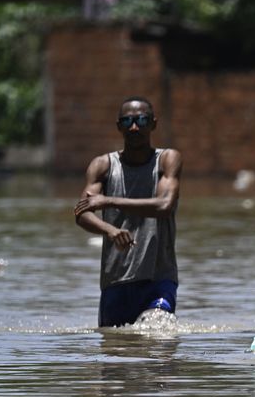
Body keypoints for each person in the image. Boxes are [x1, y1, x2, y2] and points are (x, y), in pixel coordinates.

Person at [74, 96, 183, 327]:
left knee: (158, 336)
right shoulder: (102, 166)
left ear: (153, 124)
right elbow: (82, 213)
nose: (134, 127)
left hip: (158, 279)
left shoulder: (167, 160)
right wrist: (110, 231)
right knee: (116, 345)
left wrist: (109, 201)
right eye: (127, 121)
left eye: (142, 120)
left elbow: (164, 206)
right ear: (119, 126)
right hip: (116, 281)